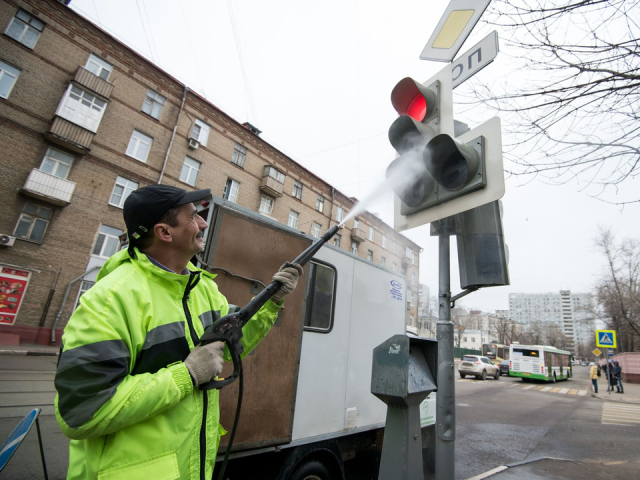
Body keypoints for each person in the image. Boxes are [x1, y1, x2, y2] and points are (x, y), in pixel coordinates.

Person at [54, 184, 303, 480]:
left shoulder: (202, 288)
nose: (203, 223)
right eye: (192, 216)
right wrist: (186, 375)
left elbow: (227, 347)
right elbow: (82, 412)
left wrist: (272, 301)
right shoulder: (111, 299)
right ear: (164, 232)